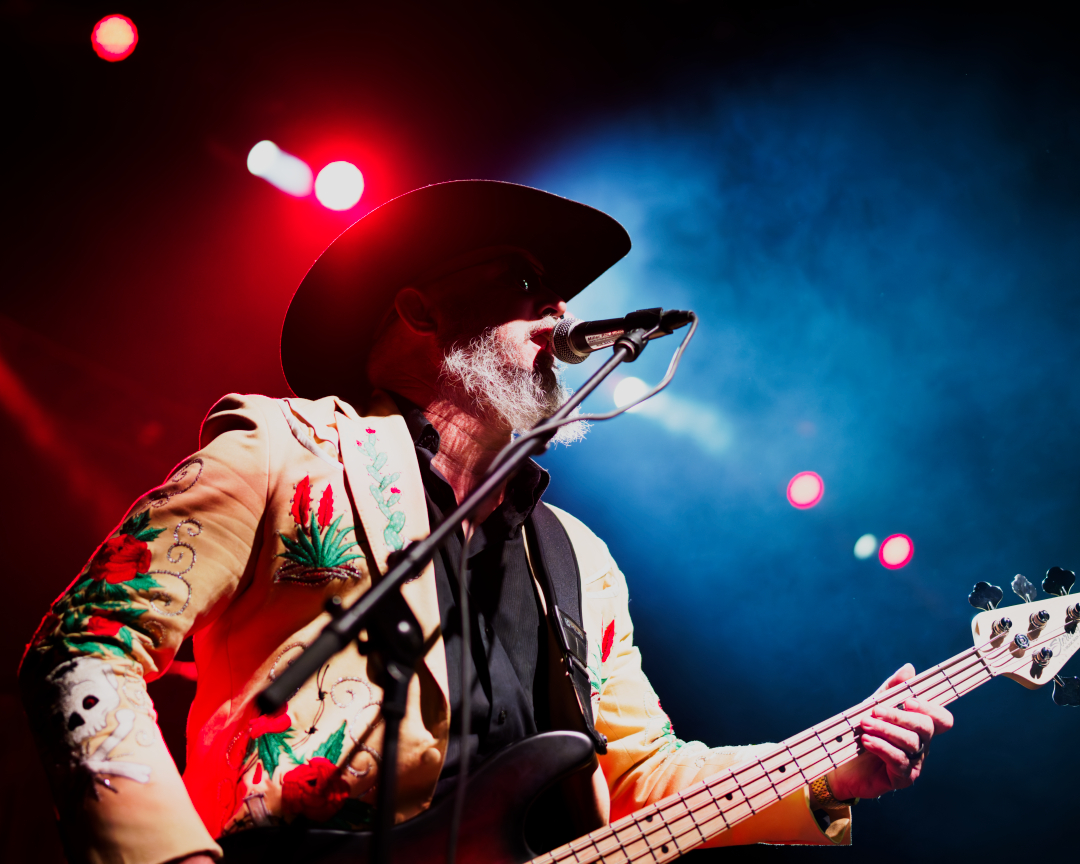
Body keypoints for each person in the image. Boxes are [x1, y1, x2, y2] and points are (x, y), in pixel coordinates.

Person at [20, 181, 953, 864]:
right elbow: (83, 647)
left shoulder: (576, 559)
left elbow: (643, 778)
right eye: (526, 280)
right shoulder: (281, 451)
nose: (562, 311)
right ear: (419, 310)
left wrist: (824, 769)